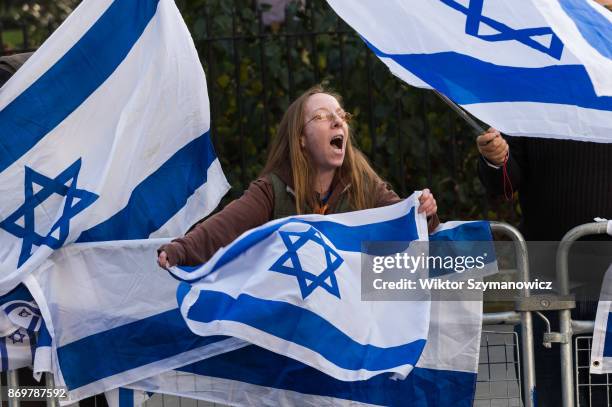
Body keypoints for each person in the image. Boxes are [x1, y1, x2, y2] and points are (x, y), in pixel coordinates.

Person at [158, 85, 439, 268]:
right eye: (320, 116)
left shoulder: (365, 185)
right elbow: (224, 228)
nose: (338, 121)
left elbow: (409, 226)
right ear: (301, 139)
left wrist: (424, 213)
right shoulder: (272, 190)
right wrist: (180, 250)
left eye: (341, 116)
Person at [477, 128, 612, 406]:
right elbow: (503, 184)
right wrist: (496, 159)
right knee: (547, 393)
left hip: (608, 282)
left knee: (606, 393)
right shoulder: (534, 95)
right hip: (545, 278)